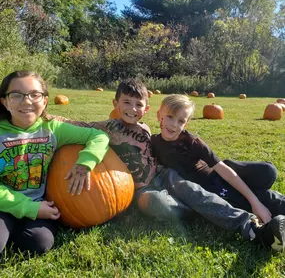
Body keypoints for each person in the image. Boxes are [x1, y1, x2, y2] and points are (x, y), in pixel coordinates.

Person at [54, 78, 285, 252]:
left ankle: (251, 228)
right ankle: (197, 213)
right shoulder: (108, 126)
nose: (132, 109)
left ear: (146, 110)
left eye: (138, 105)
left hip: (165, 174)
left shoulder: (147, 129)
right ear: (116, 103)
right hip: (140, 188)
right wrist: (47, 117)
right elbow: (79, 124)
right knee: (155, 203)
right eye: (126, 103)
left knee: (195, 192)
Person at [0, 71, 109, 259]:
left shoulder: (52, 129)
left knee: (39, 242)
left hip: (39, 204)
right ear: (4, 101)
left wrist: (85, 163)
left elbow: (99, 136)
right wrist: (28, 208)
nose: (27, 102)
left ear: (45, 101)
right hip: (4, 204)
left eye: (35, 95)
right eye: (16, 95)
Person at [151, 94, 285, 224]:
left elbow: (224, 171)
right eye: (170, 117)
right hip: (201, 192)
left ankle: (258, 197)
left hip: (217, 178)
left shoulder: (192, 142)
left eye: (181, 121)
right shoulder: (152, 142)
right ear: (159, 116)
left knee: (268, 172)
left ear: (185, 124)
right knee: (242, 201)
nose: (174, 124)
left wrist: (255, 203)